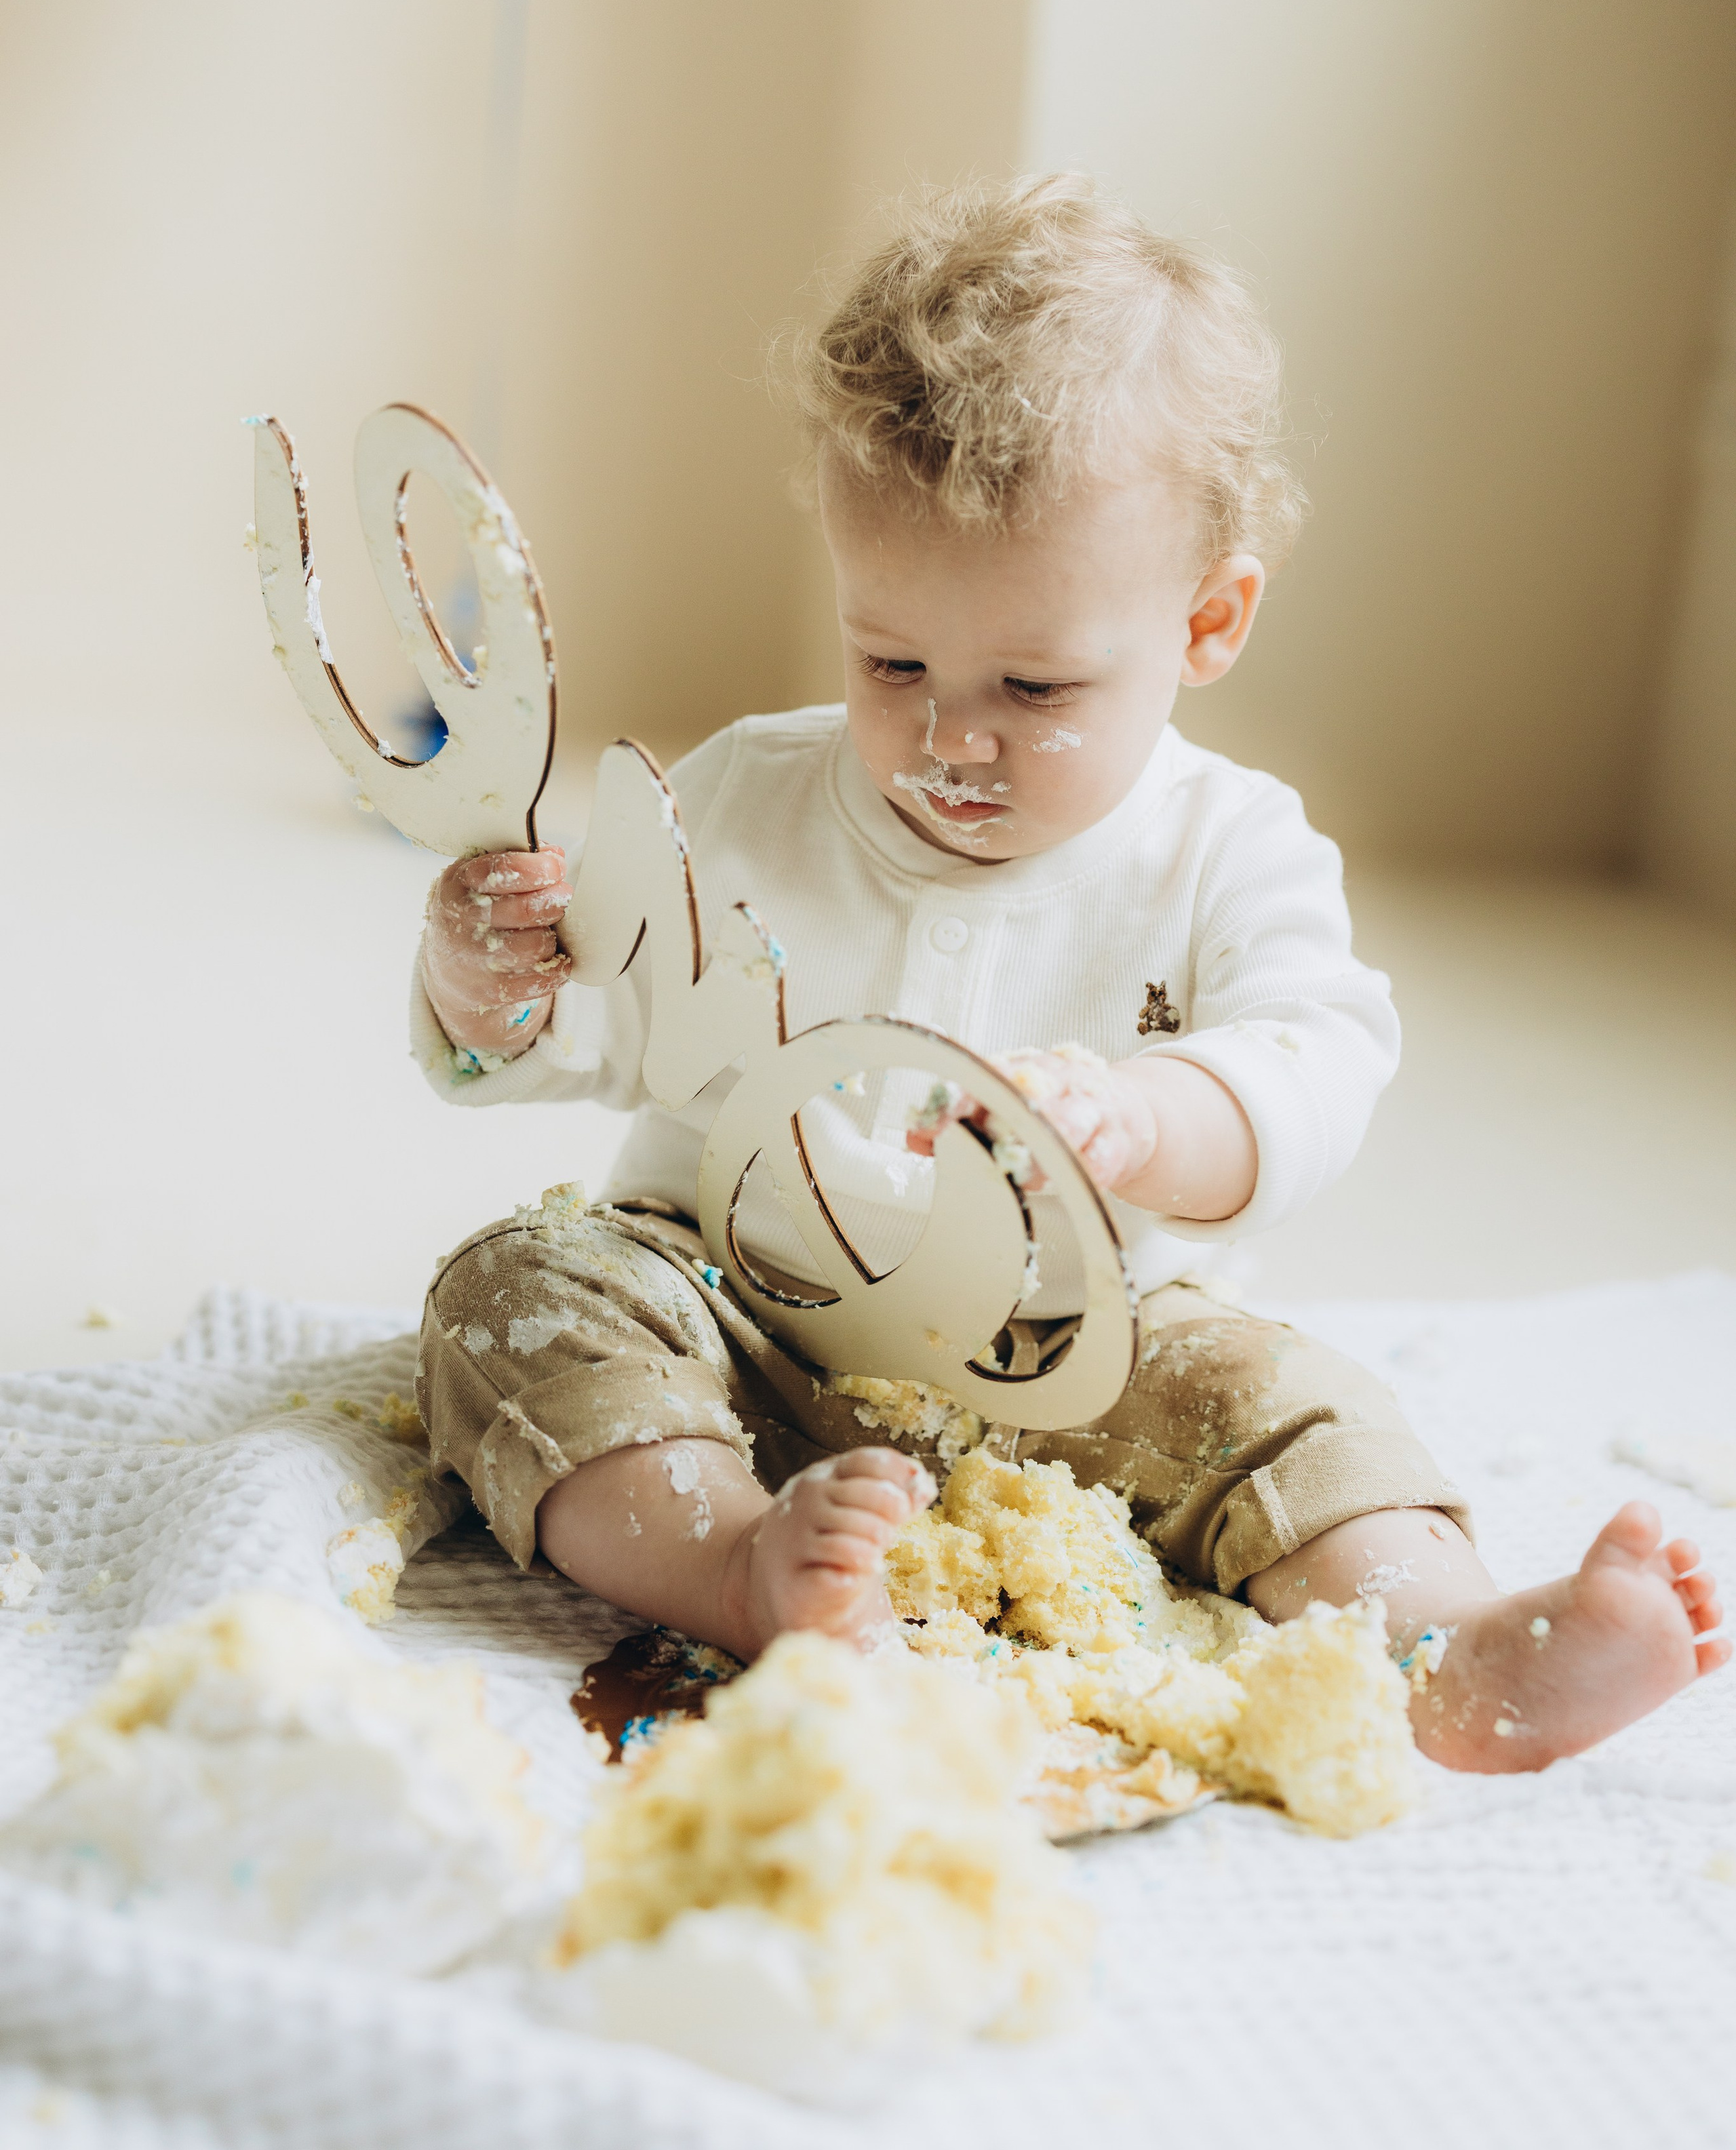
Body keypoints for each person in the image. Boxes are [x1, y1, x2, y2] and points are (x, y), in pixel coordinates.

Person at [412, 176, 1724, 1773]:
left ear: (1207, 620)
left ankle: (1439, 1644)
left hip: (1085, 1359)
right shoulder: (745, 793)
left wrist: (1149, 1112)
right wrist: (493, 986)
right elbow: (587, 1028)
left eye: (1034, 685)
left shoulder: (1223, 848)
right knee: (513, 1291)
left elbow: (1317, 1060)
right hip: (727, 1307)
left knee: (1281, 1405)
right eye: (890, 662)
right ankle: (732, 1561)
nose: (951, 735)